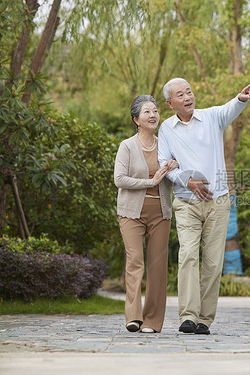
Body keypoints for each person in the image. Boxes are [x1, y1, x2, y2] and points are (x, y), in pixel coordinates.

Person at [158, 78, 250, 334]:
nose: (188, 96)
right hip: (187, 203)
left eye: (189, 91)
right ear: (170, 103)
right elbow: (164, 164)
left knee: (213, 262)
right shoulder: (167, 129)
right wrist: (187, 181)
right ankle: (188, 316)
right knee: (188, 255)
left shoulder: (211, 117)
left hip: (218, 201)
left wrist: (240, 99)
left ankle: (204, 320)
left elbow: (228, 109)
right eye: (181, 94)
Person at [114, 95, 178, 333]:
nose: (153, 115)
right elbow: (119, 179)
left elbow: (178, 174)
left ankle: (152, 321)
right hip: (131, 213)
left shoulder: (167, 145)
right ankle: (133, 317)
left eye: (155, 111)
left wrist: (175, 165)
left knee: (158, 266)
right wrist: (150, 181)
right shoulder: (127, 146)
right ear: (136, 119)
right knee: (135, 262)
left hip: (160, 212)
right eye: (147, 112)